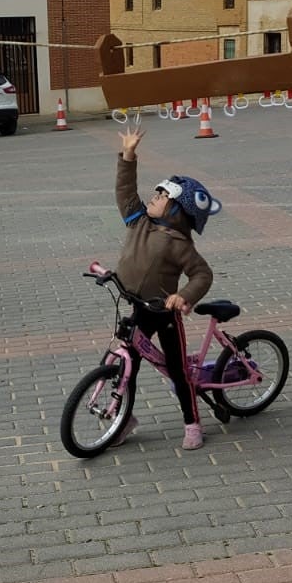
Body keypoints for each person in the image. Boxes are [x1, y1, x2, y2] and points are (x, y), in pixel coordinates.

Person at [115, 128, 221, 451]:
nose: (154, 197)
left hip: (163, 314)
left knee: (177, 370)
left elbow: (202, 274)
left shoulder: (179, 244)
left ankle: (192, 422)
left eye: (162, 197)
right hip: (136, 307)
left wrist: (184, 296)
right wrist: (128, 156)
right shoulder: (139, 221)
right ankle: (123, 419)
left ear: (176, 211)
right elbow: (125, 192)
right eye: (157, 193)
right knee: (126, 366)